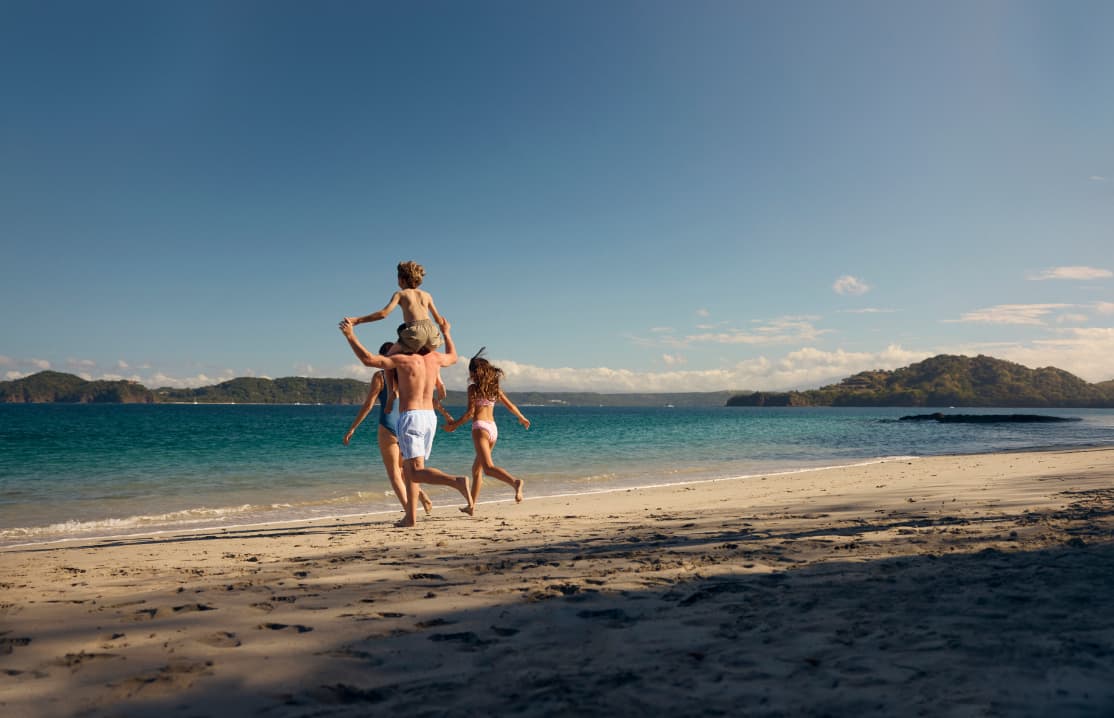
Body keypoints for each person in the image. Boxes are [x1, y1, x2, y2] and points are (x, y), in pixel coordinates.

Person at [339, 316, 473, 527]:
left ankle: (456, 482)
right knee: (413, 470)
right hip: (430, 417)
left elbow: (368, 360)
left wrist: (350, 335)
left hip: (412, 417)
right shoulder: (435, 358)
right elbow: (454, 357)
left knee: (412, 472)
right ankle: (411, 517)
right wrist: (446, 332)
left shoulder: (404, 361)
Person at [342, 341, 433, 517]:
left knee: (394, 475)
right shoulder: (408, 373)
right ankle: (421, 496)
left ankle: (409, 512)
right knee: (404, 470)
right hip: (408, 424)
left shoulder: (381, 376)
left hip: (389, 427)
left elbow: (369, 404)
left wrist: (352, 428)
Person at [444, 349, 530, 513]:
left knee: (488, 468)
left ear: (473, 372)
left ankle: (515, 482)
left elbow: (470, 414)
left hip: (480, 428)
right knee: (477, 470)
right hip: (493, 430)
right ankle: (471, 506)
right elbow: (510, 405)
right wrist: (521, 417)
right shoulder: (494, 388)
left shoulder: (473, 389)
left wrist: (454, 425)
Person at [346, 261, 447, 355]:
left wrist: (358, 320)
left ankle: (391, 374)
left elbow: (383, 314)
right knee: (430, 360)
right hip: (432, 331)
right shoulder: (427, 295)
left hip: (415, 332)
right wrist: (445, 328)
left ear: (401, 280)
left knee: (388, 359)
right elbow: (438, 319)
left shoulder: (400, 294)